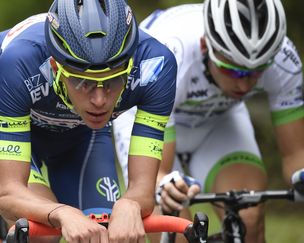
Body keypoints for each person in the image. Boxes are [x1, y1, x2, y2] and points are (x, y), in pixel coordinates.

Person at [0, 0, 177, 242]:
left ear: (129, 67)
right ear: (56, 66)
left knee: (104, 235)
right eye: (82, 82)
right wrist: (60, 213)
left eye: (113, 81)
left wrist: (131, 204)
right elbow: (9, 193)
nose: (99, 100)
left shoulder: (156, 65)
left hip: (81, 130)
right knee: (43, 235)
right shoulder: (21, 60)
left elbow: (143, 189)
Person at [113, 0, 304, 242]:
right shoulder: (171, 53)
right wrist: (165, 185)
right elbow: (158, 175)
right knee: (176, 228)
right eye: (233, 70)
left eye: (257, 72)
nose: (245, 84)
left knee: (249, 217)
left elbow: (296, 158)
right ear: (206, 46)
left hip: (218, 121)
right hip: (148, 117)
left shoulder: (283, 59)